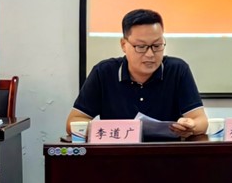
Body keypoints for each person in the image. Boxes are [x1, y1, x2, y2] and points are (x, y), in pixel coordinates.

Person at [67, 9, 208, 139]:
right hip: (117, 155)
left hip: (166, 154)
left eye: (157, 46)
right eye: (141, 47)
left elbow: (201, 121)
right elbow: (73, 122)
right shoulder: (103, 72)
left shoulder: (177, 70)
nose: (150, 54)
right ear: (123, 45)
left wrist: (191, 126)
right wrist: (108, 130)